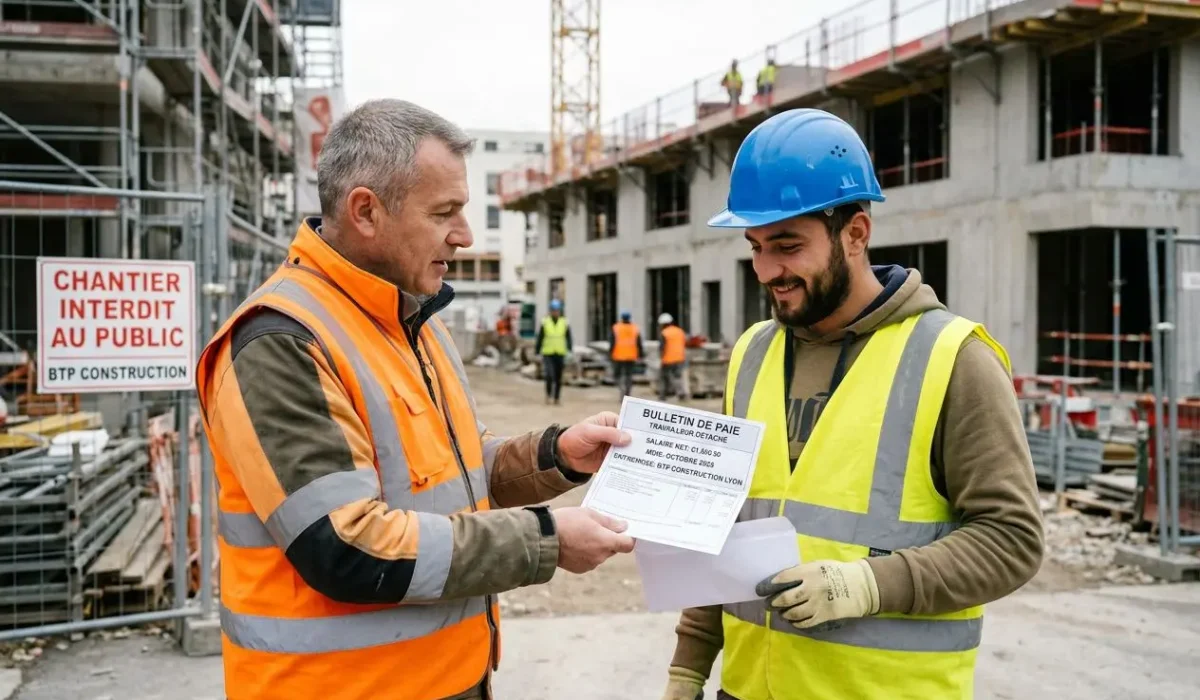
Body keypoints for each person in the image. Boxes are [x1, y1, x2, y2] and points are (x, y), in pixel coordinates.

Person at [196, 99, 637, 700]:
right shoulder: (281, 340)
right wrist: (546, 539)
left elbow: (455, 474)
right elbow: (345, 544)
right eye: (444, 212)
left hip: (446, 679)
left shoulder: (412, 321)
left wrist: (556, 454)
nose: (466, 235)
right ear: (365, 211)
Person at [660, 109, 1044, 700]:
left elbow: (1012, 539)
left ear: (856, 234)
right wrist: (688, 668)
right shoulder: (753, 354)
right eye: (755, 247)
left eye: (787, 246)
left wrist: (868, 584)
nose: (767, 271)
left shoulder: (953, 358)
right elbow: (727, 526)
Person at [537, 298, 572, 405]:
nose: (555, 312)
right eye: (553, 310)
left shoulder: (564, 322)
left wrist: (570, 350)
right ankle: (548, 395)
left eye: (557, 310)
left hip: (560, 353)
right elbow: (540, 337)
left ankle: (556, 398)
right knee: (549, 375)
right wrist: (537, 351)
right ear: (550, 311)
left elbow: (568, 338)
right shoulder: (545, 322)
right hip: (548, 353)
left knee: (558, 377)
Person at [610, 309, 643, 399]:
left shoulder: (616, 328)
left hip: (618, 356)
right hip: (631, 356)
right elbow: (639, 343)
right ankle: (627, 393)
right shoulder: (635, 328)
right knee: (629, 376)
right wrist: (641, 355)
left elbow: (612, 342)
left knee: (617, 375)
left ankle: (622, 390)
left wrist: (610, 353)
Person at [657, 312, 687, 401]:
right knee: (677, 376)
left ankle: (663, 395)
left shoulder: (664, 333)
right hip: (680, 358)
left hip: (668, 359)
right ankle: (681, 393)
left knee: (664, 377)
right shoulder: (680, 331)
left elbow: (662, 348)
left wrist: (660, 358)